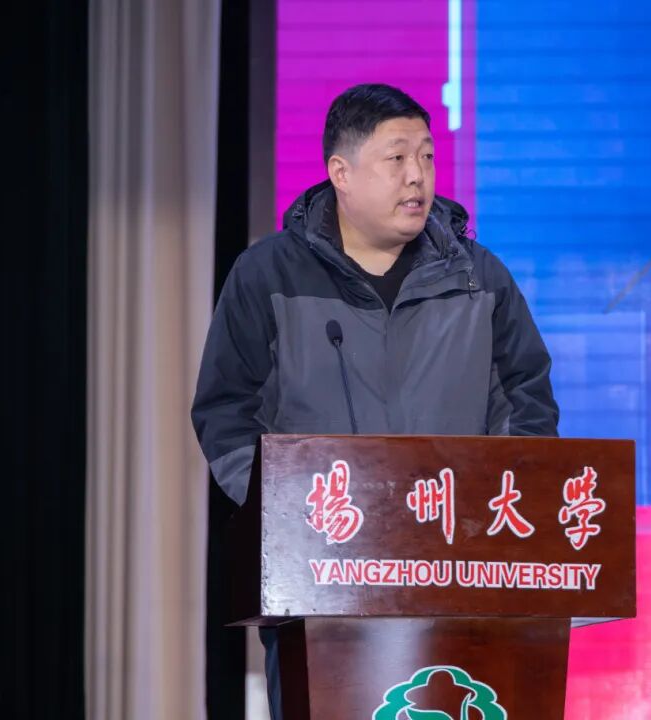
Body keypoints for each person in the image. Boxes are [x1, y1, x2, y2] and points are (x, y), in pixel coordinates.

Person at [190, 83, 559, 719]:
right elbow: (226, 410)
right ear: (341, 172)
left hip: (462, 579)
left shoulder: (480, 278)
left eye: (427, 156)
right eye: (396, 158)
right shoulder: (267, 276)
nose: (417, 176)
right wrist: (283, 510)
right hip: (320, 581)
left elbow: (529, 405)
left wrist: (491, 523)